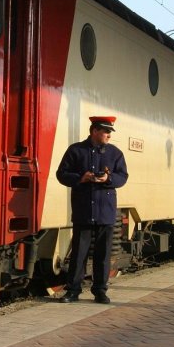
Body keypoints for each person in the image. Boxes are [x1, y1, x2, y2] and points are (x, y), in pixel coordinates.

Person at [56, 116, 128, 304]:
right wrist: (81, 177)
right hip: (83, 210)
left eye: (109, 132)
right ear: (94, 131)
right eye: (105, 131)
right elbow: (61, 174)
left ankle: (100, 291)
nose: (108, 135)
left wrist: (108, 180)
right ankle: (72, 291)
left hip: (105, 211)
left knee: (103, 254)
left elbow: (123, 177)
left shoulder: (115, 153)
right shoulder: (76, 150)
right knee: (79, 253)